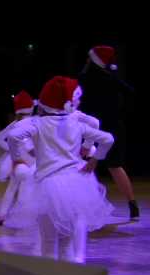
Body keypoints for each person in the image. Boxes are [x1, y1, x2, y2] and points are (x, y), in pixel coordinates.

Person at [8, 76, 115, 264]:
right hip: (74, 186)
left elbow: (13, 136)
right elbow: (108, 139)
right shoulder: (77, 124)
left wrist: (17, 159)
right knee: (66, 244)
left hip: (47, 186)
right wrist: (95, 159)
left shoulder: (37, 124)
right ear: (67, 103)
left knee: (48, 245)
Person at [79, 45, 139, 220]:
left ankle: (86, 209)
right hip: (113, 125)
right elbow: (130, 92)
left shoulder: (85, 77)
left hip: (91, 126)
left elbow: (81, 102)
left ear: (94, 60)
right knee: (115, 166)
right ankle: (132, 206)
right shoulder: (111, 77)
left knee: (83, 164)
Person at [0, 90, 36, 226]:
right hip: (31, 159)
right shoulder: (36, 122)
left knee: (12, 187)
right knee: (31, 187)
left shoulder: (14, 124)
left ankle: (1, 215)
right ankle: (29, 216)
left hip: (17, 160)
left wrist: (13, 150)